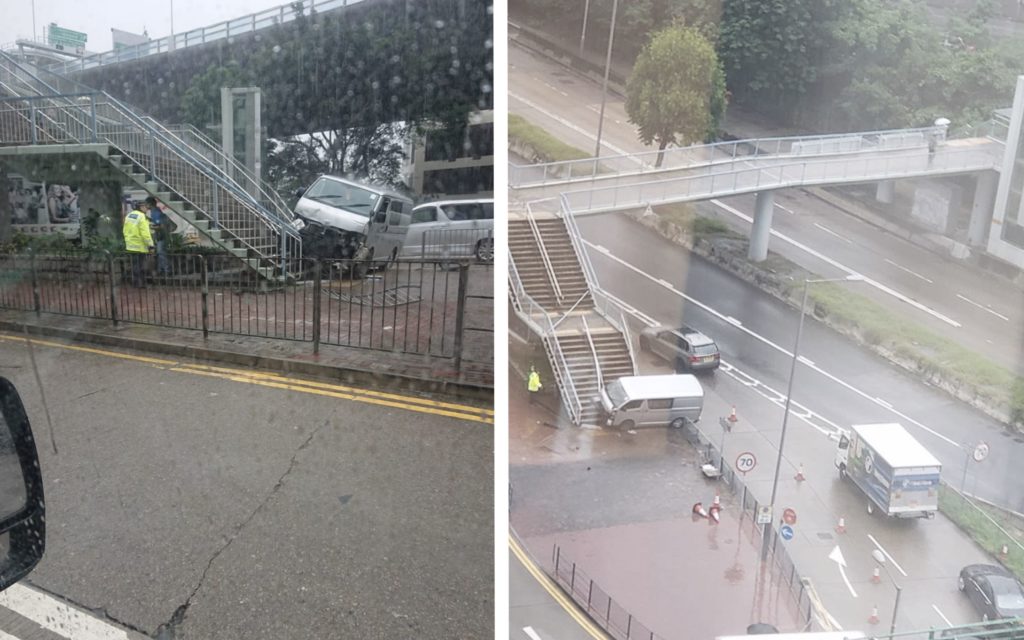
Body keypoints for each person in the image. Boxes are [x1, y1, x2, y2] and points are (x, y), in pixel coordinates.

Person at [123, 201, 154, 287]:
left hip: (130, 245)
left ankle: (135, 282)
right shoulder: (141, 217)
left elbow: (125, 230)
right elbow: (145, 233)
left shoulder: (129, 215)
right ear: (140, 207)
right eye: (145, 207)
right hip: (139, 246)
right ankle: (140, 284)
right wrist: (150, 245)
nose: (147, 209)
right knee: (140, 266)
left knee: (134, 265)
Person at [146, 196, 170, 276]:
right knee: (160, 254)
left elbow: (161, 226)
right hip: (160, 236)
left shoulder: (156, 212)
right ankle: (161, 270)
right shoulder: (154, 212)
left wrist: (149, 226)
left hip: (161, 236)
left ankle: (166, 271)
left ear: (150, 204)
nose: (145, 206)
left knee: (161, 253)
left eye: (146, 204)